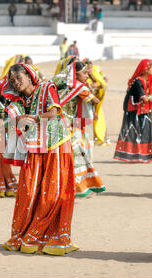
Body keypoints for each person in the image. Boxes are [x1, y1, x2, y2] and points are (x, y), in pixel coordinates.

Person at [2, 63, 78, 256]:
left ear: (30, 76)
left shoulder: (46, 88)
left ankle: (50, 238)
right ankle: (26, 235)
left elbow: (54, 113)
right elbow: (10, 119)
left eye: (19, 78)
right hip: (35, 149)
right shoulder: (19, 101)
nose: (16, 82)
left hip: (56, 145)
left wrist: (32, 119)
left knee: (52, 194)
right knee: (29, 192)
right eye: (12, 80)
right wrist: (15, 120)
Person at [52, 61, 105, 197]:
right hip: (68, 125)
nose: (87, 75)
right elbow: (95, 100)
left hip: (60, 123)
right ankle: (78, 187)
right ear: (75, 74)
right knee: (76, 156)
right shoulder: (79, 87)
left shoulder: (64, 85)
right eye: (85, 73)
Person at [113, 59, 152, 163]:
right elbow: (145, 99)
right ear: (145, 70)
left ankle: (146, 154)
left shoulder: (149, 78)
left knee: (145, 130)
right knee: (135, 132)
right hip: (133, 110)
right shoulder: (138, 82)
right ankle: (136, 155)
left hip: (142, 109)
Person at [84, 59, 110, 145]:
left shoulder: (96, 71)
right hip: (89, 101)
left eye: (91, 68)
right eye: (88, 69)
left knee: (99, 118)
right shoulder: (84, 75)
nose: (90, 70)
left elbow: (105, 79)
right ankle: (93, 138)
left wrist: (99, 84)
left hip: (97, 100)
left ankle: (101, 138)